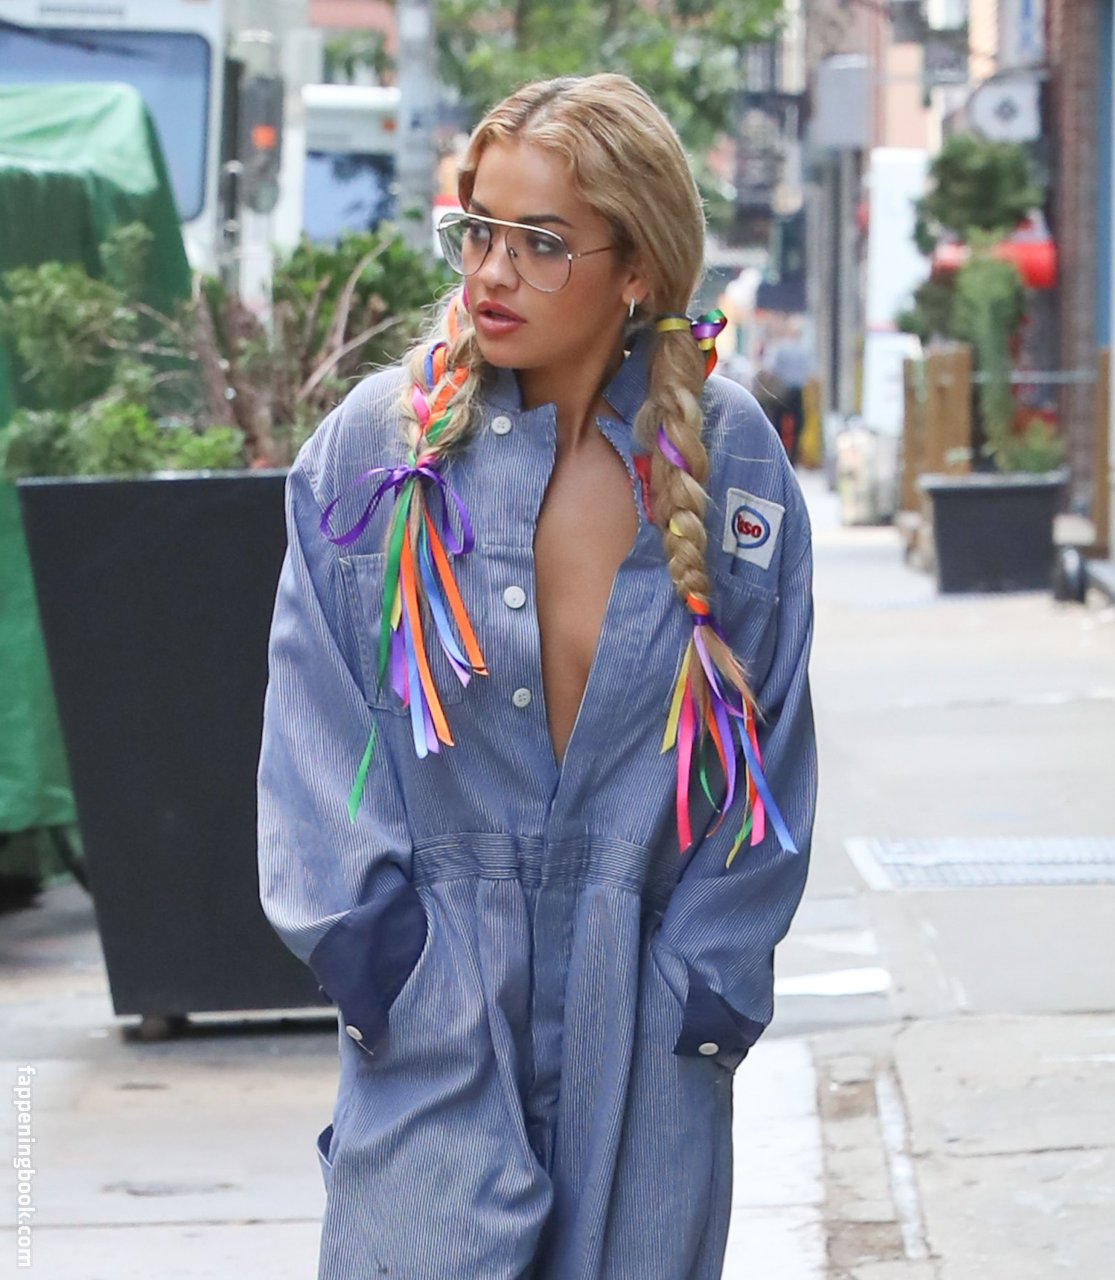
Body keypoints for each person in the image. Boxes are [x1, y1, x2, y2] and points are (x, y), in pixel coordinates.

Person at [257, 73, 816, 1280]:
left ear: (639, 271)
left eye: (541, 243)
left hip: (646, 1031)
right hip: (432, 1014)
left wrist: (706, 986)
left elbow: (766, 751)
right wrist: (387, 968)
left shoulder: (733, 464)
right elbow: (312, 735)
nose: (491, 273)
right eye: (477, 232)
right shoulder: (375, 449)